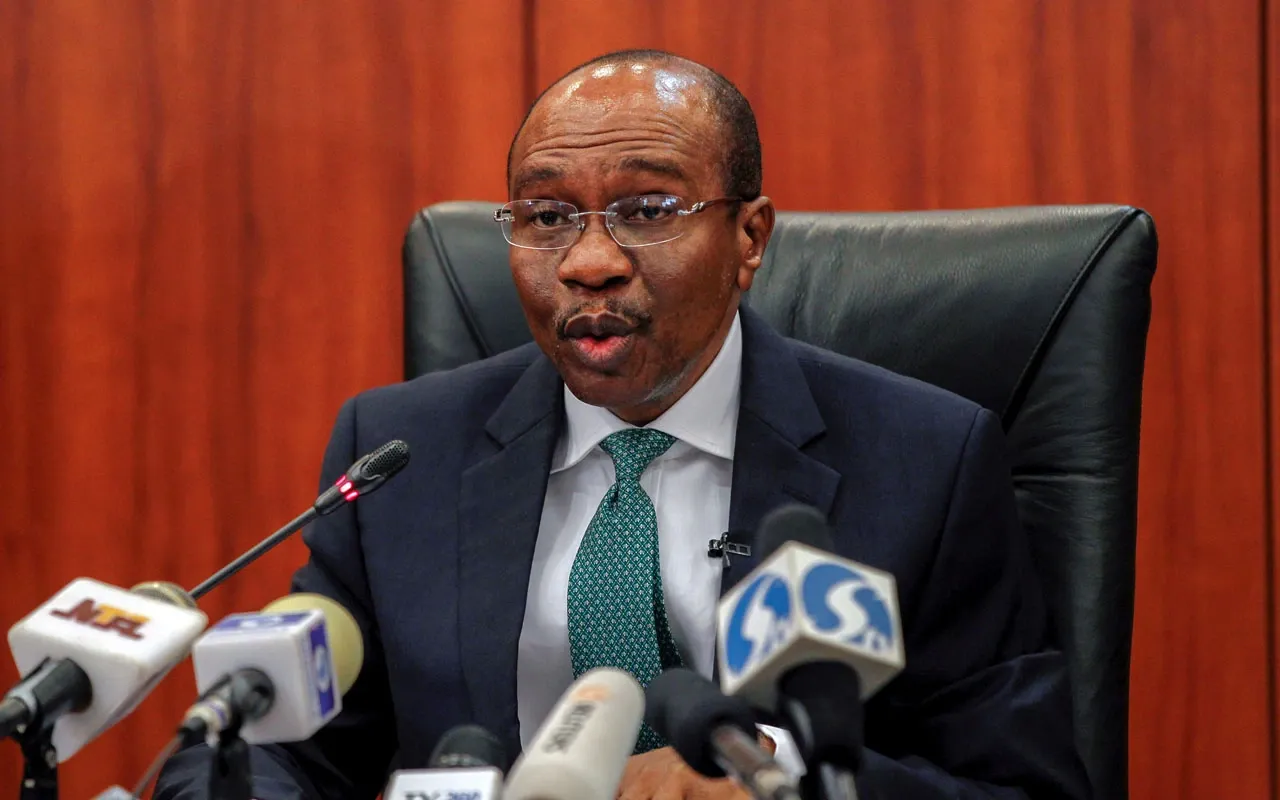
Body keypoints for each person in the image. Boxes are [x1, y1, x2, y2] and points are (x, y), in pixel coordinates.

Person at [157, 49, 1089, 799]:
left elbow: (1018, 784)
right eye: (547, 216)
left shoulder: (925, 460)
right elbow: (280, 748)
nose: (588, 262)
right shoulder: (403, 456)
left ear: (750, 237)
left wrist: (781, 776)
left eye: (647, 210)